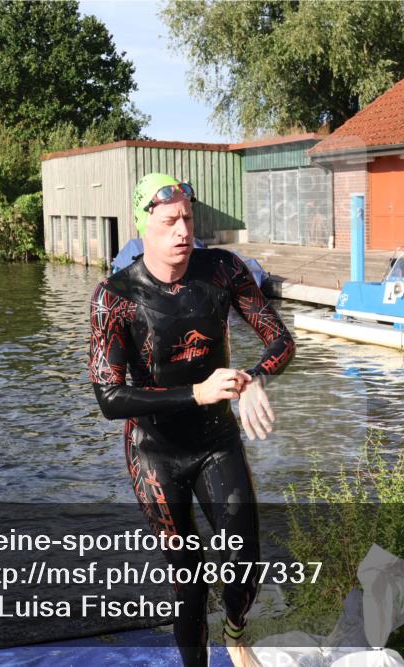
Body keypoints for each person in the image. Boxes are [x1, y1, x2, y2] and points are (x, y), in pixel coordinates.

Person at [89, 173, 295, 667]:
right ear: (144, 228)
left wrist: (253, 376)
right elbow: (110, 397)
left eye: (187, 218)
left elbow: (281, 339)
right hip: (154, 451)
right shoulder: (115, 297)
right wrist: (198, 392)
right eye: (168, 222)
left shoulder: (222, 270)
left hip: (216, 440)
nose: (182, 230)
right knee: (188, 573)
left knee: (244, 556)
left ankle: (235, 631)